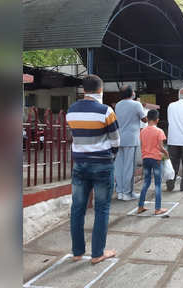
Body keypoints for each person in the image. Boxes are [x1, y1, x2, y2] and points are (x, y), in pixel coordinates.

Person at [66, 75, 119, 264]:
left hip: (80, 164)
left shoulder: (71, 111)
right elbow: (115, 140)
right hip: (102, 164)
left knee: (77, 208)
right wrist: (110, 155)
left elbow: (73, 135)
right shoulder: (106, 111)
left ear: (84, 89)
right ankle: (97, 253)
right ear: (100, 89)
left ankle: (77, 252)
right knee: (102, 208)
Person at [114, 85, 147, 201]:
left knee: (119, 167)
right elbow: (144, 119)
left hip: (119, 139)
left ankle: (120, 192)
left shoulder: (118, 104)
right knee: (129, 167)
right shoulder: (136, 104)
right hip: (131, 139)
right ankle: (127, 192)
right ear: (131, 93)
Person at [137, 109, 169, 215]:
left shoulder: (142, 131)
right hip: (156, 159)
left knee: (146, 182)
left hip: (146, 158)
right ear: (157, 120)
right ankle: (157, 208)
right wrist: (166, 153)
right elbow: (160, 147)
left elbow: (142, 145)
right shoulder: (159, 131)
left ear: (147, 119)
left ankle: (140, 206)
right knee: (158, 184)